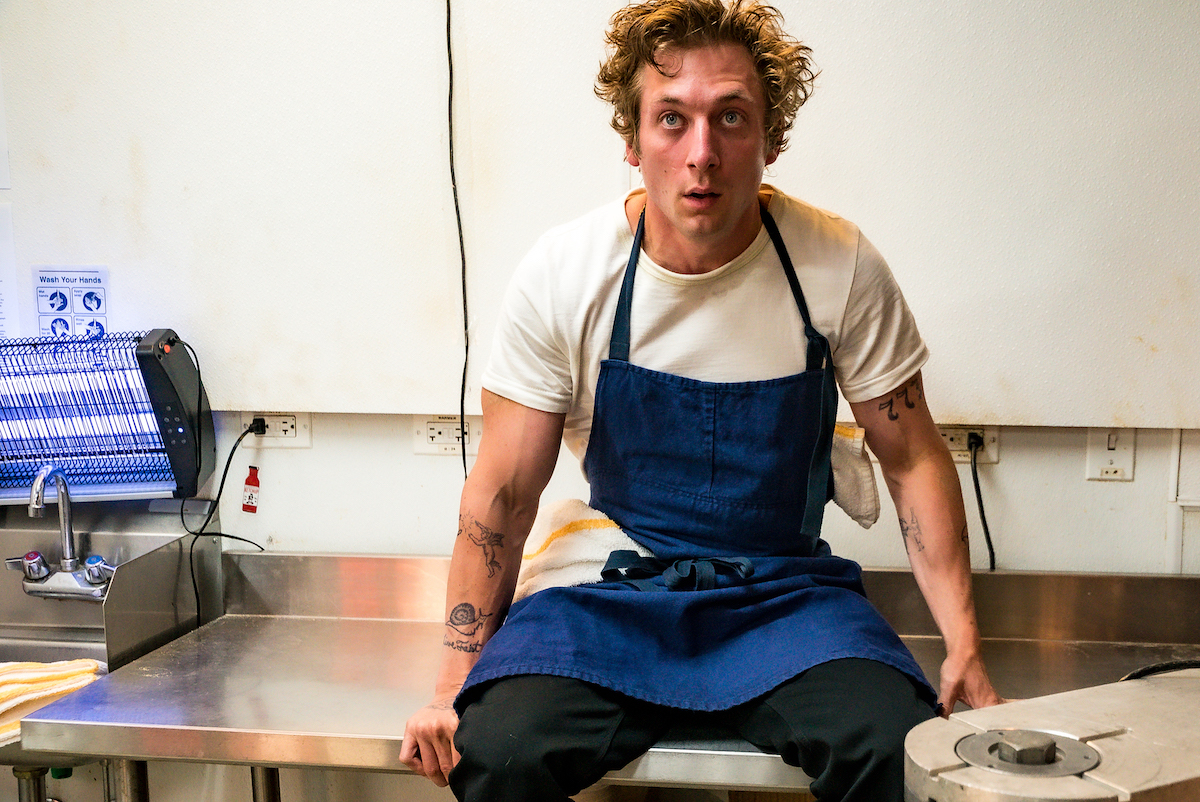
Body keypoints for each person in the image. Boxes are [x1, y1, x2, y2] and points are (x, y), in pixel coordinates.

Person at [400, 1, 1004, 799]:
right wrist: (452, 681)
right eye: (672, 119)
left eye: (731, 118)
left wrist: (963, 641)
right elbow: (505, 494)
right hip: (612, 590)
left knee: (899, 750)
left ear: (772, 138)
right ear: (632, 137)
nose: (702, 154)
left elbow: (914, 457)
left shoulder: (838, 266)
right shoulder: (565, 275)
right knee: (500, 750)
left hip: (785, 600)